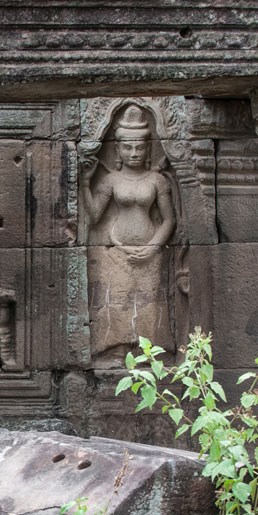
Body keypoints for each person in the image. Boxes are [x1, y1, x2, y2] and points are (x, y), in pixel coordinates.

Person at [84, 104, 175, 357]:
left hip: (150, 252)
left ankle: (151, 356)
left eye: (140, 147)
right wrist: (84, 182)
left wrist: (152, 247)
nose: (134, 153)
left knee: (148, 305)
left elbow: (169, 220)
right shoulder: (111, 180)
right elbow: (93, 216)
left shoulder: (157, 180)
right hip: (117, 252)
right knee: (118, 304)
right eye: (127, 147)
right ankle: (116, 353)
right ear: (118, 149)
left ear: (147, 148)